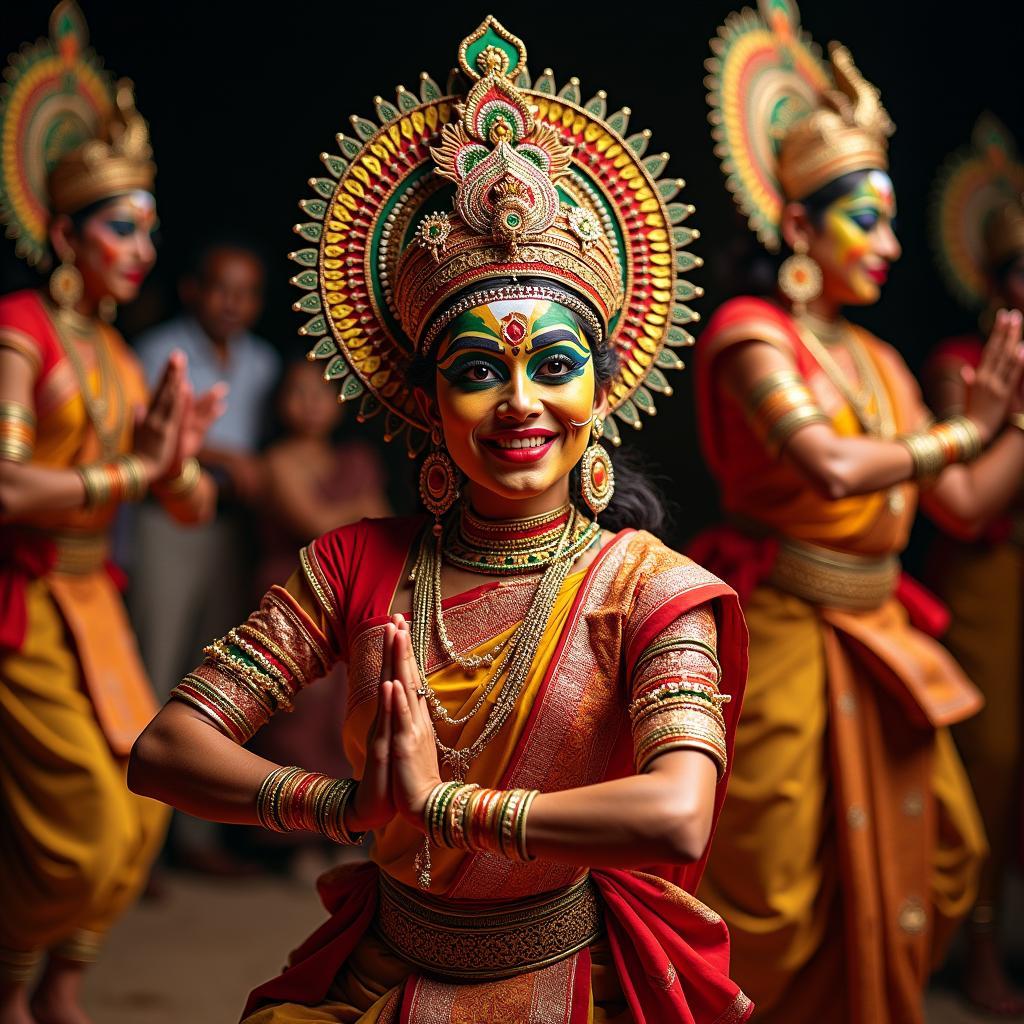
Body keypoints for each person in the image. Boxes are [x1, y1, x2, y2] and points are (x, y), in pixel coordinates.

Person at [128, 17, 755, 1022]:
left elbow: (678, 814)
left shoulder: (647, 585)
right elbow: (164, 749)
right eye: (476, 371)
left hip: (569, 981)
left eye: (553, 365)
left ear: (599, 392)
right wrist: (342, 804)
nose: (519, 402)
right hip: (387, 972)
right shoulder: (354, 563)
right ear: (423, 404)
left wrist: (446, 809)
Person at [691, 4, 1024, 1023]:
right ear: (796, 225)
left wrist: (1011, 423)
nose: (885, 241)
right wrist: (964, 432)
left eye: (885, 216)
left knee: (943, 855)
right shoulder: (752, 335)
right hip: (792, 630)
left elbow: (961, 501)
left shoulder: (876, 359)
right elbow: (832, 467)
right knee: (778, 895)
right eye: (861, 216)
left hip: (882, 635)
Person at [0, 4, 223, 1023]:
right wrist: (137, 477)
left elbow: (187, 501)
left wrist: (180, 464)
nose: (140, 247)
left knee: (139, 811)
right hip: (26, 601)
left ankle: (65, 989)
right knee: (78, 827)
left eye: (148, 228)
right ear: (62, 233)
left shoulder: (122, 358)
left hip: (93, 598)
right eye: (120, 226)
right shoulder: (22, 334)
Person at [128, 237, 278, 872]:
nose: (232, 303)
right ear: (193, 290)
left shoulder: (264, 362)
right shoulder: (157, 350)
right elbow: (139, 435)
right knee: (149, 674)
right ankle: (134, 850)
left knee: (208, 682)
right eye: (221, 289)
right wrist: (226, 457)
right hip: (165, 524)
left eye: (246, 293)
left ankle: (195, 842)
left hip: (228, 532)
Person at [924, 114, 1024, 1015]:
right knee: (990, 763)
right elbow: (965, 500)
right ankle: (973, 947)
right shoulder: (962, 367)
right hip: (989, 582)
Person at [246, 359, 391, 873]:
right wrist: (357, 516)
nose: (309, 403)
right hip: (291, 590)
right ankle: (295, 840)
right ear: (280, 402)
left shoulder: (355, 457)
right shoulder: (277, 461)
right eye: (297, 391)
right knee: (296, 713)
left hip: (349, 593)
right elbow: (315, 524)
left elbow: (377, 520)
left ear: (339, 404)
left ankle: (345, 831)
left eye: (320, 393)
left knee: (345, 715)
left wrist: (354, 519)